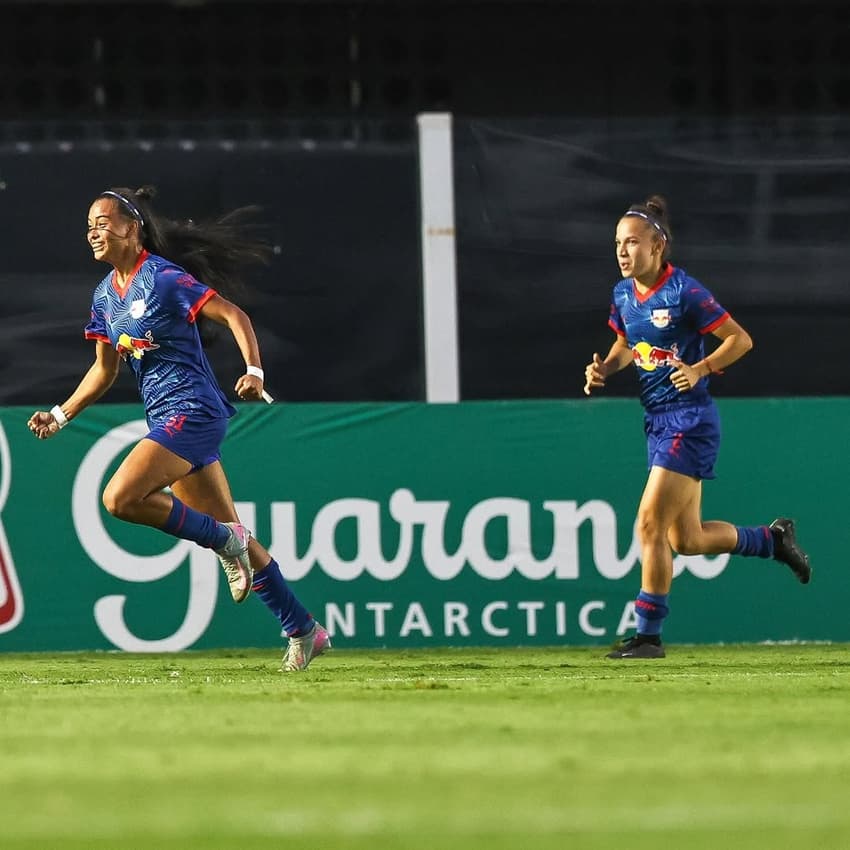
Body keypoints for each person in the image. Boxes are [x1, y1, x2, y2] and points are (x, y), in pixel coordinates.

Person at [27, 185, 330, 672]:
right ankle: (303, 629)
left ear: (132, 228)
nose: (93, 232)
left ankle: (221, 540)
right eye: (89, 226)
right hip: (166, 416)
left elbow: (234, 314)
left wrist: (254, 371)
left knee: (120, 498)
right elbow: (104, 370)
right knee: (238, 539)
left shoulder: (163, 278)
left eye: (103, 223)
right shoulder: (105, 297)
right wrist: (62, 414)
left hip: (193, 410)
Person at [583, 194, 811, 660]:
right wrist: (606, 367)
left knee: (648, 523)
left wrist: (702, 368)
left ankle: (648, 636)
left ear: (658, 245)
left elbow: (740, 340)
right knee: (684, 540)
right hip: (657, 421)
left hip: (690, 420)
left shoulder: (684, 291)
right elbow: (629, 342)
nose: (623, 252)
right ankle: (773, 539)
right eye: (617, 244)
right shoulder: (623, 294)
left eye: (632, 242)